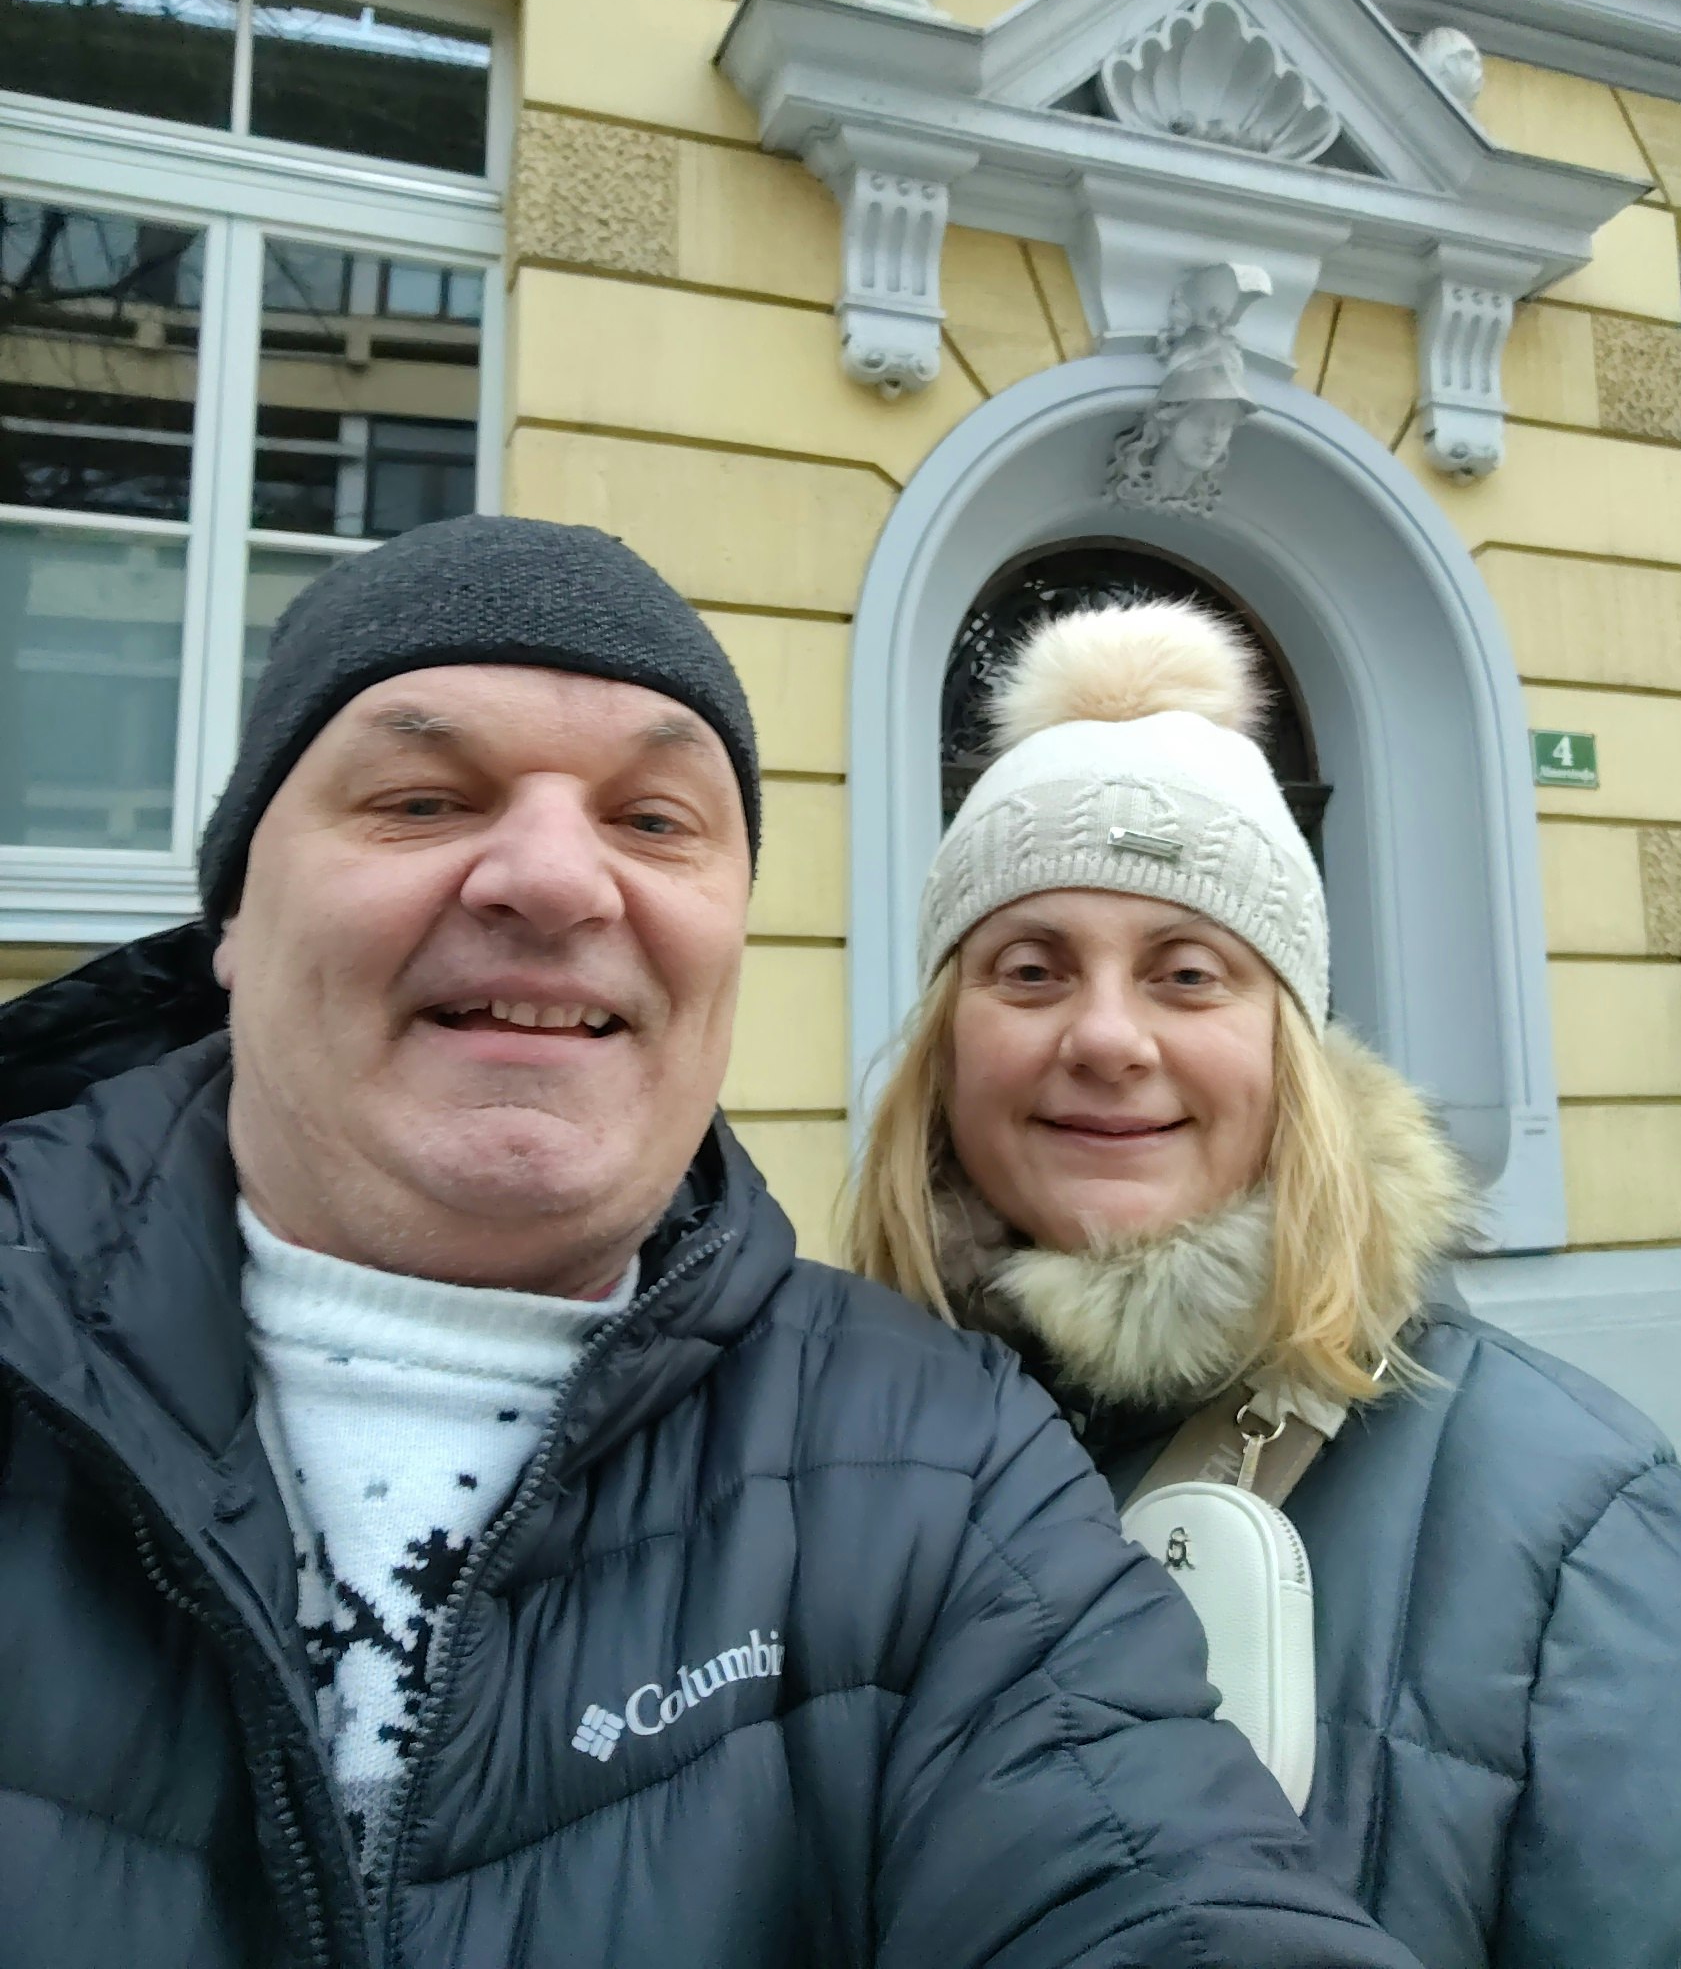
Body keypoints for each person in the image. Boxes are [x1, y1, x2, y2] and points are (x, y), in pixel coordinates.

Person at [0, 516, 1424, 1969]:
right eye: (424, 799)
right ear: (230, 908)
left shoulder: (946, 1459)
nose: (554, 879)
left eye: (654, 818)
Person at [848, 596, 1681, 1969]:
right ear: (949, 1045)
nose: (1105, 1036)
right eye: (1031, 969)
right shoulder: (824, 1456)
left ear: (1289, 1050)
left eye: (1188, 975)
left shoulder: (1588, 1534)